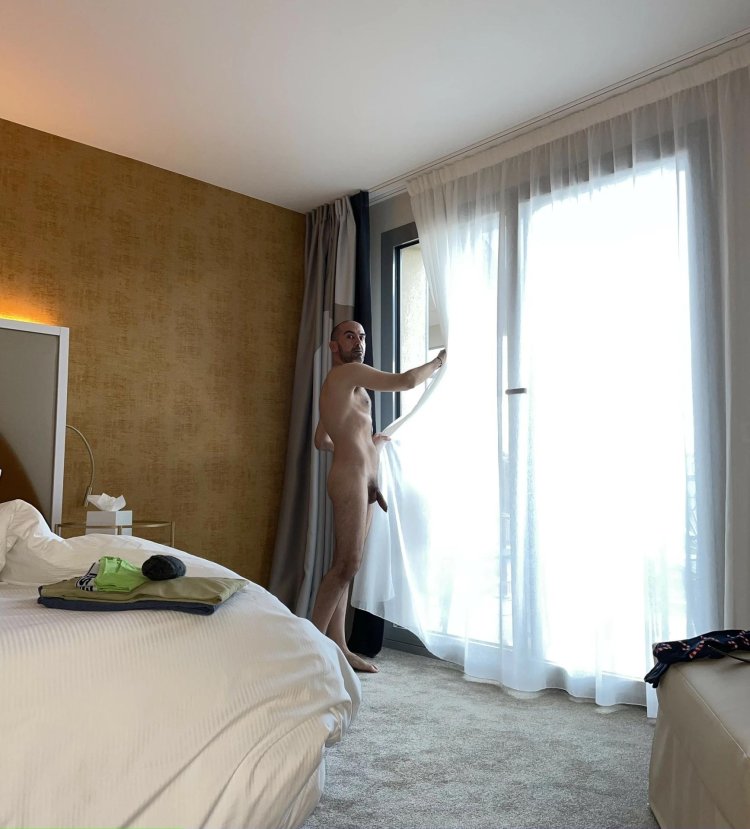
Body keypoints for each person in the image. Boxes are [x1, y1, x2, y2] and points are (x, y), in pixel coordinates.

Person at [312, 319, 446, 672]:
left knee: (348, 567)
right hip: (349, 479)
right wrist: (439, 361)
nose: (358, 342)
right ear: (334, 346)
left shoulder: (344, 387)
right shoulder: (346, 374)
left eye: (361, 336)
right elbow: (406, 381)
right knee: (346, 564)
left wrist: (367, 447)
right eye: (349, 336)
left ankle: (338, 645)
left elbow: (321, 440)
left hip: (364, 480)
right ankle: (308, 650)